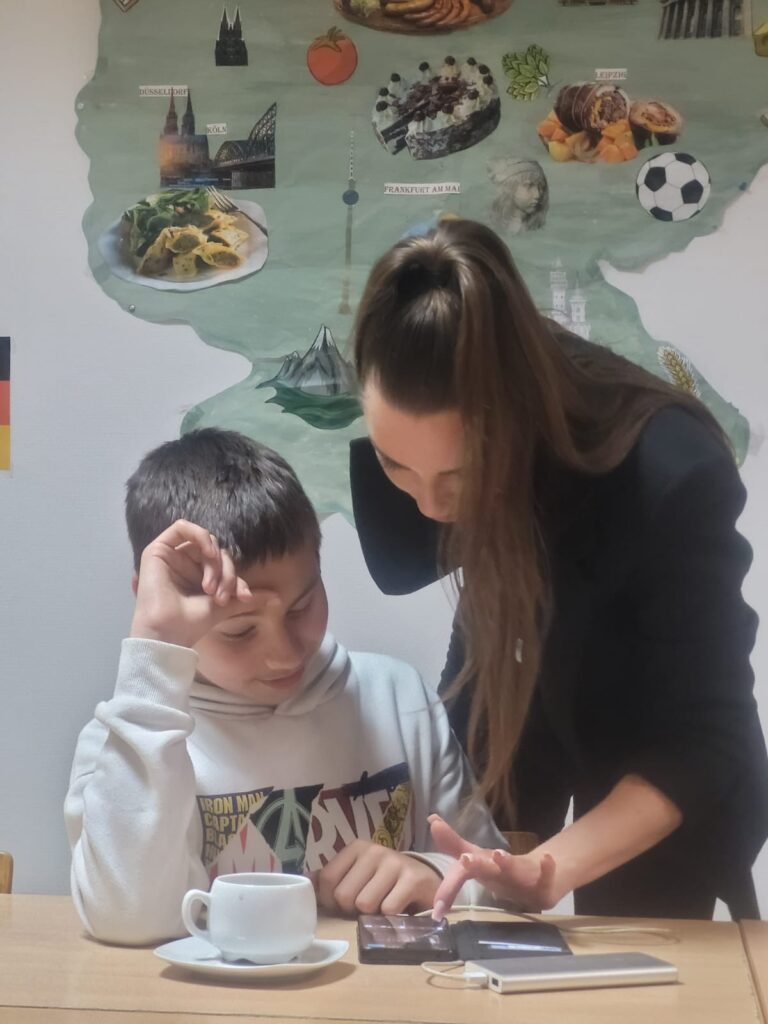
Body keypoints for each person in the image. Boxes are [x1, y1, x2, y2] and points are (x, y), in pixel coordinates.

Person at [348, 217, 768, 921]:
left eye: (458, 476)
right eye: (398, 466)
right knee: (468, 889)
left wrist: (550, 871)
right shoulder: (429, 415)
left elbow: (704, 735)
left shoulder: (670, 474)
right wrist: (449, 853)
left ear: (516, 425)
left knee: (642, 932)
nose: (431, 508)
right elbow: (484, 645)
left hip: (660, 740)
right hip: (519, 663)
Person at [64, 428, 505, 945]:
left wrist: (433, 873)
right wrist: (153, 650)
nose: (284, 653)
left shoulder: (399, 699)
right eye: (239, 630)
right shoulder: (130, 739)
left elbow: (502, 883)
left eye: (302, 607)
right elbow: (126, 920)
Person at [487, 158, 549, 234]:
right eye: (529, 186)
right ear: (510, 187)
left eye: (541, 187)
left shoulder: (538, 226)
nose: (538, 195)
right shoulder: (493, 227)